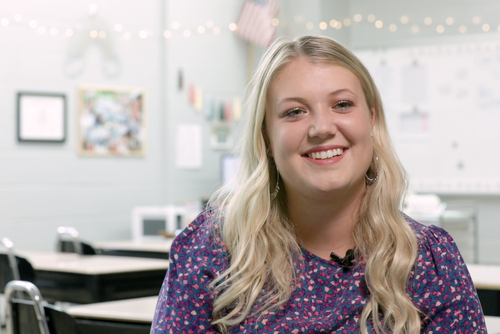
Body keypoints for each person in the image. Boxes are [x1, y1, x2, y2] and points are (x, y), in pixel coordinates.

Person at [151, 35, 486, 334]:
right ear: (266, 136)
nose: (321, 128)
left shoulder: (428, 260)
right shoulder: (213, 251)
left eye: (342, 105)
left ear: (370, 119)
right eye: (295, 112)